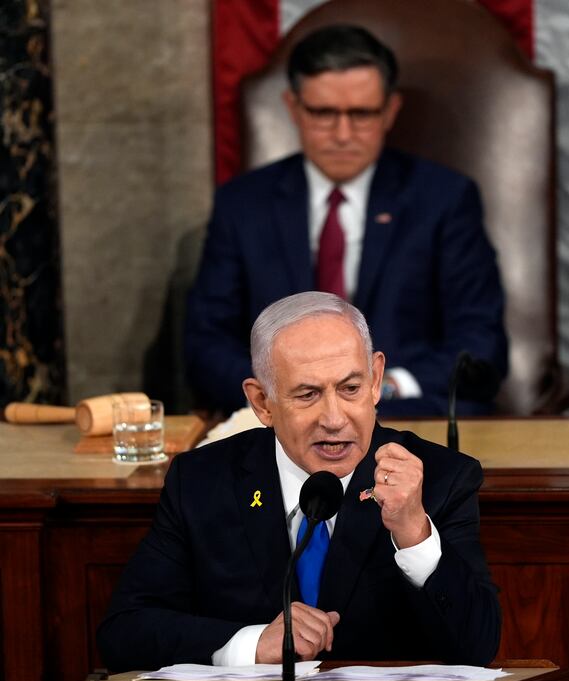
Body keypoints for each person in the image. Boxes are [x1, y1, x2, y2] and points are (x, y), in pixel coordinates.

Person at [98, 292, 501, 671]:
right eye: (307, 394)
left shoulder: (440, 479)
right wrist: (252, 644)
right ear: (261, 402)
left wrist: (414, 531)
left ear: (376, 380)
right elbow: (125, 633)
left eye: (350, 389)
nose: (334, 418)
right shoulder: (202, 482)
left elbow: (476, 648)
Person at [185, 24, 507, 418]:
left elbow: (481, 344)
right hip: (279, 430)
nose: (342, 134)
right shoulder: (244, 204)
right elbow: (205, 344)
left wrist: (381, 389)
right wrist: (290, 397)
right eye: (323, 113)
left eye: (361, 114)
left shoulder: (445, 199)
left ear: (390, 111)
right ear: (293, 108)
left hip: (412, 418)